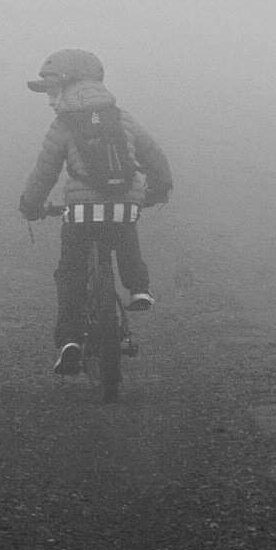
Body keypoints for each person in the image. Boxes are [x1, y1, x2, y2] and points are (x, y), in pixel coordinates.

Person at [18, 48, 173, 375]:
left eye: (52, 91)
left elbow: (45, 172)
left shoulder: (63, 125)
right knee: (125, 231)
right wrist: (157, 190)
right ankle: (139, 287)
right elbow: (155, 158)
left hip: (81, 215)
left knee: (70, 271)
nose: (49, 99)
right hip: (124, 208)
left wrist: (31, 206)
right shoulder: (122, 117)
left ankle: (71, 338)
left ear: (70, 85)